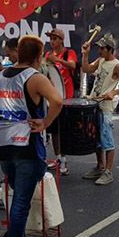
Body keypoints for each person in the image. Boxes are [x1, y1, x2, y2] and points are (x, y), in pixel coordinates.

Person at [0, 35, 63, 237]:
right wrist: (45, 123)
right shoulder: (35, 78)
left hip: (4, 145)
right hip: (27, 145)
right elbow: (58, 100)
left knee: (16, 199)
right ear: (38, 56)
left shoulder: (1, 76)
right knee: (22, 202)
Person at [81, 34, 119, 185]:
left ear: (110, 49)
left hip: (105, 108)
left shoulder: (117, 65)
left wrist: (114, 92)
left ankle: (108, 172)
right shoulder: (101, 60)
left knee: (107, 140)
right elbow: (86, 69)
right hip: (94, 105)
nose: (99, 50)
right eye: (98, 48)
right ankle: (100, 166)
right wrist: (85, 54)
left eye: (102, 48)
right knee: (96, 139)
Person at [44, 29, 78, 175]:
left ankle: (64, 159)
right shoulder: (47, 54)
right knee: (54, 130)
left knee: (63, 129)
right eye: (51, 39)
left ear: (61, 40)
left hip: (67, 97)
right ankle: (58, 157)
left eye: (54, 38)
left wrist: (57, 60)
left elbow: (73, 65)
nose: (52, 41)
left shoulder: (68, 52)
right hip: (52, 97)